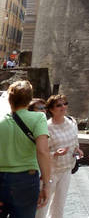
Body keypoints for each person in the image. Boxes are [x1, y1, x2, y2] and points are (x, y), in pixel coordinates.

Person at [0, 80, 52, 216]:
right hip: (25, 180)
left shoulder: (1, 121)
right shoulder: (38, 118)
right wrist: (47, 184)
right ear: (29, 100)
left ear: (10, 99)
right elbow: (42, 151)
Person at [37, 94, 81, 218]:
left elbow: (75, 140)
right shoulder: (46, 127)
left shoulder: (72, 121)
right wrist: (55, 153)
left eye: (65, 103)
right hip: (50, 172)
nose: (63, 107)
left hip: (66, 169)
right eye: (59, 105)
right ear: (51, 109)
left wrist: (77, 149)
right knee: (43, 205)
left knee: (59, 205)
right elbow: (41, 152)